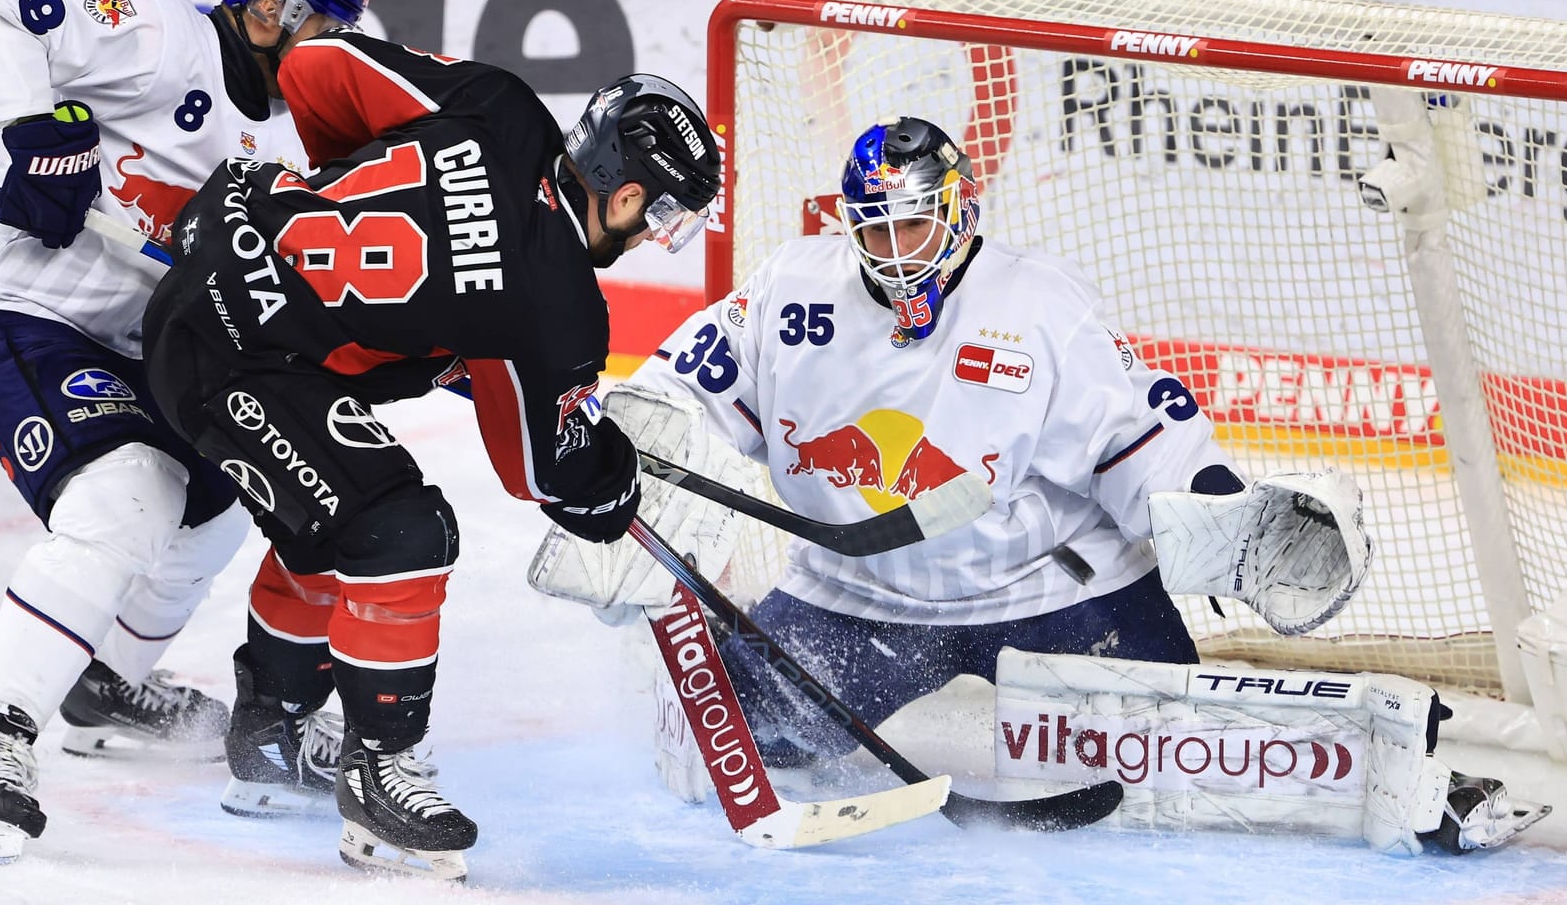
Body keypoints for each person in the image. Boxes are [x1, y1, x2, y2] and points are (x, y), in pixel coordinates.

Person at [532, 115, 1372, 762]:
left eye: (913, 227)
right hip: (855, 597)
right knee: (721, 758)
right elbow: (678, 393)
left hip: (1053, 591)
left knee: (1195, 758)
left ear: (958, 209)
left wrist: (1222, 516)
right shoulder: (793, 291)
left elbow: (1142, 436)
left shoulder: (1037, 306)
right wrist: (615, 482)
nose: (894, 255)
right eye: (873, 229)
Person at [138, 41, 723, 880]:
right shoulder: (557, 309)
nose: (652, 235)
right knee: (400, 531)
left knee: (330, 518)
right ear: (625, 193)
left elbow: (315, 67)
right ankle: (380, 773)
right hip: (236, 360)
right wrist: (611, 482)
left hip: (226, 228)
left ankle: (272, 737)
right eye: (660, 217)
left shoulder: (502, 106)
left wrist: (346, 192)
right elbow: (539, 472)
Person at [0, 0, 369, 864]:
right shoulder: (158, 34)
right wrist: (38, 130)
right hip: (13, 303)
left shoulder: (293, 147)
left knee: (224, 495)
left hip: (135, 343)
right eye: (319, 22)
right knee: (131, 493)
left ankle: (105, 683)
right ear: (263, 8)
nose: (332, 47)